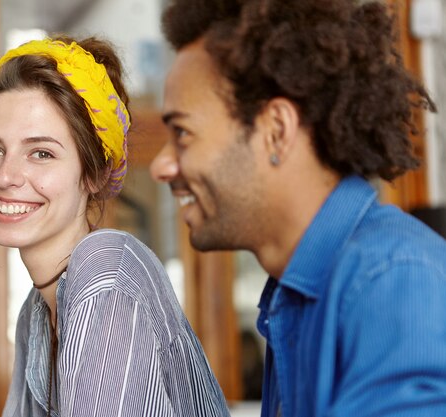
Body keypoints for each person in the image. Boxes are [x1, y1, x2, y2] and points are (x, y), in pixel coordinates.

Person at [151, 0, 446, 416]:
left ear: (276, 131)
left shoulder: (394, 282)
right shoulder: (295, 294)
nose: (161, 165)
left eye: (182, 132)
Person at [0, 35, 230, 417]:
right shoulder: (35, 313)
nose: (6, 176)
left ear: (95, 175)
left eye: (41, 153)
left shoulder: (105, 274)